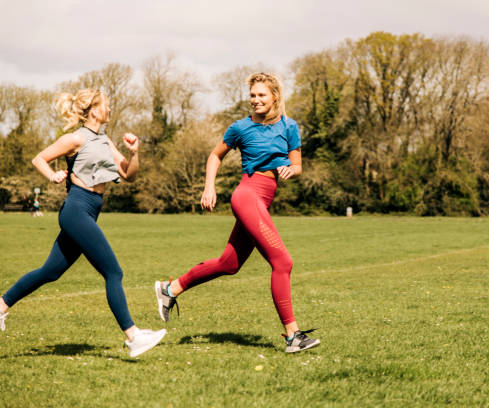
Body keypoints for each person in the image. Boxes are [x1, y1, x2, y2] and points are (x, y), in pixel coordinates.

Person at [155, 73, 320, 353]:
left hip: (264, 198)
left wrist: (291, 171)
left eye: (261, 95)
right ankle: (293, 336)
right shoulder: (240, 128)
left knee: (229, 264)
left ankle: (169, 290)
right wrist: (209, 187)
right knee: (283, 262)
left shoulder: (290, 127)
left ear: (275, 97)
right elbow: (215, 155)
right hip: (247, 195)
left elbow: (298, 165)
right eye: (253, 96)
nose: (255, 100)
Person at [0, 89, 166, 357]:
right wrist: (52, 175)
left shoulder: (105, 140)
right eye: (107, 105)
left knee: (50, 271)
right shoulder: (75, 138)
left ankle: (1, 306)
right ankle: (133, 336)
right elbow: (39, 158)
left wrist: (134, 153)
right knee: (114, 272)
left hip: (89, 211)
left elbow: (129, 175)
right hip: (76, 209)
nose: (110, 109)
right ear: (94, 110)